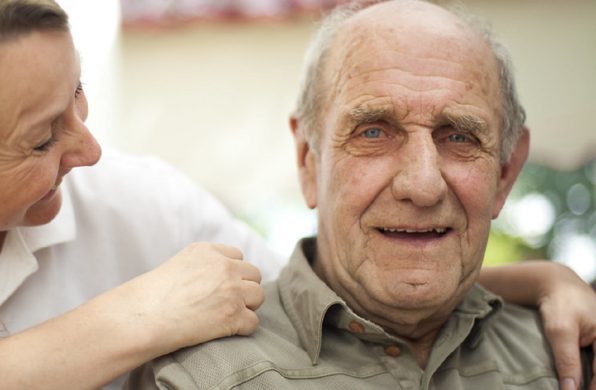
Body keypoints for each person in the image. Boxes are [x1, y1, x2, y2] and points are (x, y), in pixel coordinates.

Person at [0, 1, 592, 389]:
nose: (87, 148)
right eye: (39, 138)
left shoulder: (135, 199)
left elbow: (335, 293)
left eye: (79, 100)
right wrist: (133, 319)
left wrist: (538, 283)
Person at [126, 1, 596, 389]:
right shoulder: (198, 377)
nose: (423, 185)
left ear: (507, 170)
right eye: (373, 132)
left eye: (459, 137)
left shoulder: (568, 358)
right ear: (309, 160)